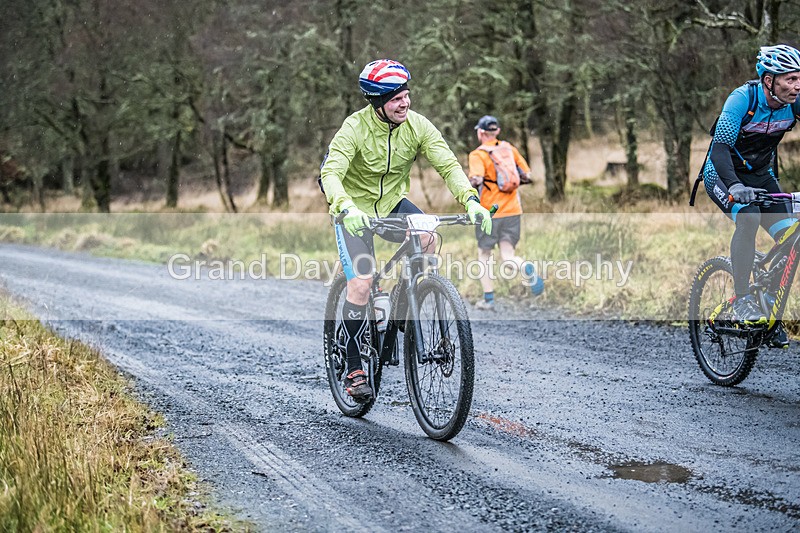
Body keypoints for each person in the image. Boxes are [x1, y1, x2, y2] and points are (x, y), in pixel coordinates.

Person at [320, 59, 492, 402]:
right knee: (361, 282)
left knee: (428, 236)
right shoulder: (354, 128)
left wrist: (471, 200)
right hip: (353, 210)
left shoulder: (417, 126)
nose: (405, 103)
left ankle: (409, 295)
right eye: (396, 98)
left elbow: (447, 164)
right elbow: (331, 173)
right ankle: (354, 367)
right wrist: (345, 207)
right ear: (377, 102)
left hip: (392, 204)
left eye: (407, 95)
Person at [703, 44, 800, 348]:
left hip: (760, 176)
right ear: (769, 80)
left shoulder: (795, 102)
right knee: (749, 218)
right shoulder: (742, 100)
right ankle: (743, 299)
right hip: (722, 174)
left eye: (799, 78)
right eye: (790, 79)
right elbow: (719, 150)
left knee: (791, 237)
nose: (796, 86)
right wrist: (733, 187)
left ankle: (769, 304)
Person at [468, 115, 543, 311]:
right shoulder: (510, 149)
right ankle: (525, 267)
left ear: (481, 133)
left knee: (484, 254)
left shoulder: (478, 155)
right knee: (507, 255)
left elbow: (475, 179)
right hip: (513, 211)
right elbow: (527, 175)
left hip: (489, 213)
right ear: (498, 131)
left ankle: (489, 299)